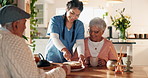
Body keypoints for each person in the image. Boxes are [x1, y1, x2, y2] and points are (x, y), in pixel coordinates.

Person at [0, 5, 69, 78]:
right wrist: (62, 71)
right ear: (15, 25)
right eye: (24, 23)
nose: (25, 27)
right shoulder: (13, 41)